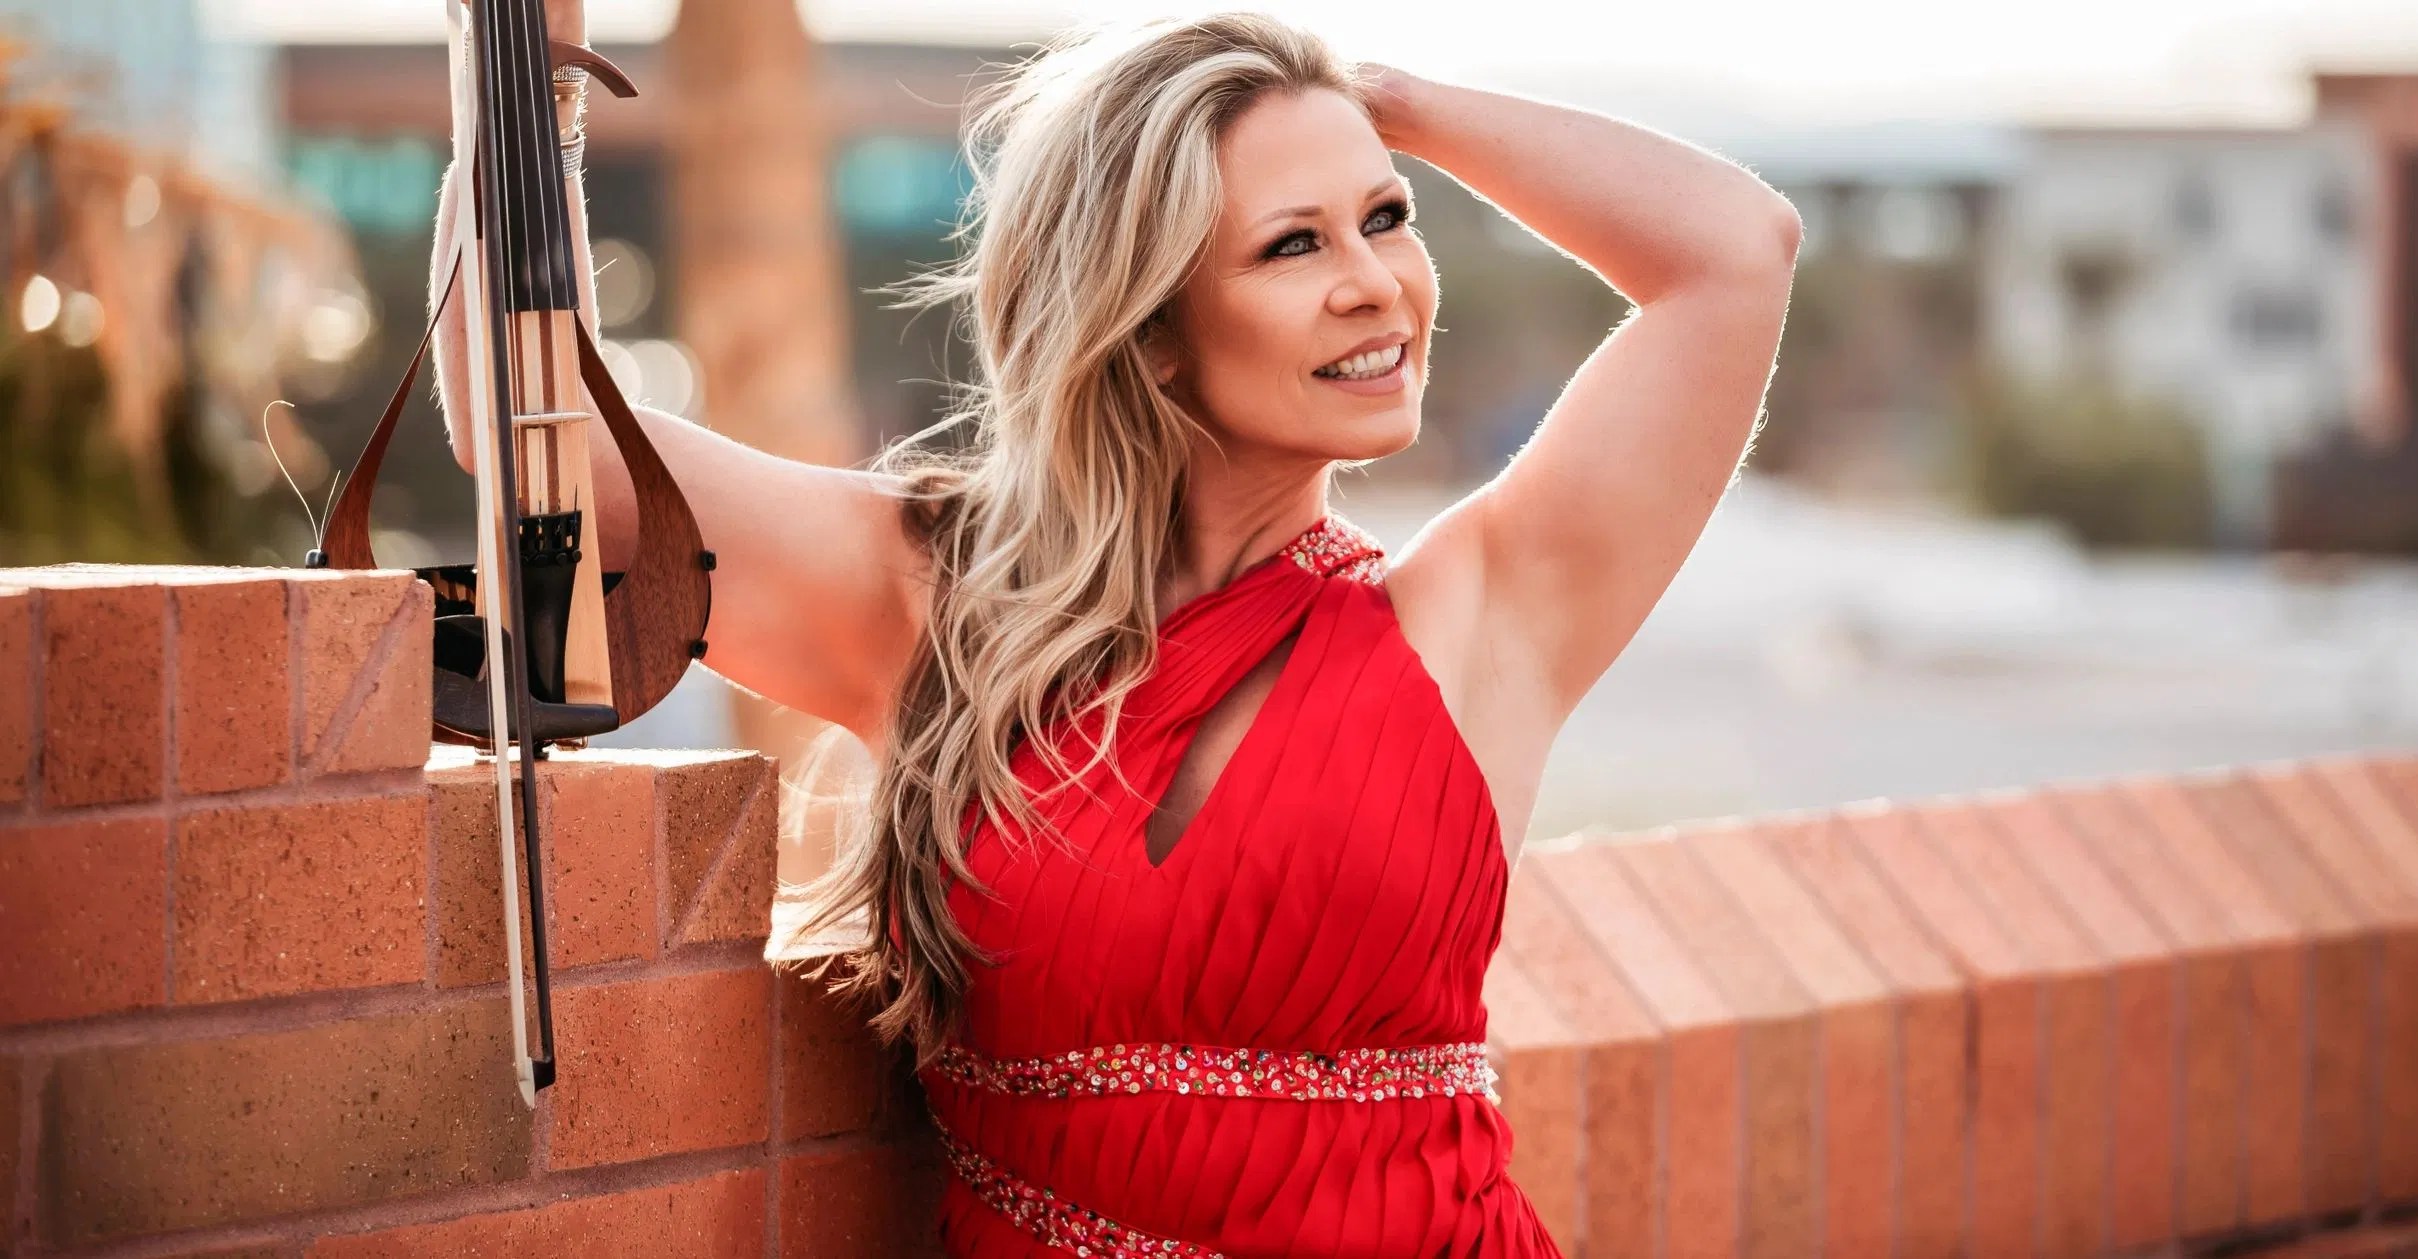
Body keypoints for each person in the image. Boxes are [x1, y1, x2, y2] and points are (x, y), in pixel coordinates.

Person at [435, 11, 1796, 1254]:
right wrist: (527, 60)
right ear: (1147, 329)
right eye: (1294, 244)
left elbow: (1735, 251)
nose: (1378, 283)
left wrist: (1368, 94)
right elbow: (535, 428)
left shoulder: (1479, 618)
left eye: (1388, 219)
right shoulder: (936, 603)